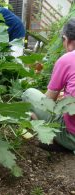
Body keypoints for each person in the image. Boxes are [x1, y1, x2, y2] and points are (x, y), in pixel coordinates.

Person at [22, 18, 75, 153]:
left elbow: (47, 102)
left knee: (29, 93)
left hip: (72, 136)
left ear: (66, 40)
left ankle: (48, 135)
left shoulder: (68, 59)